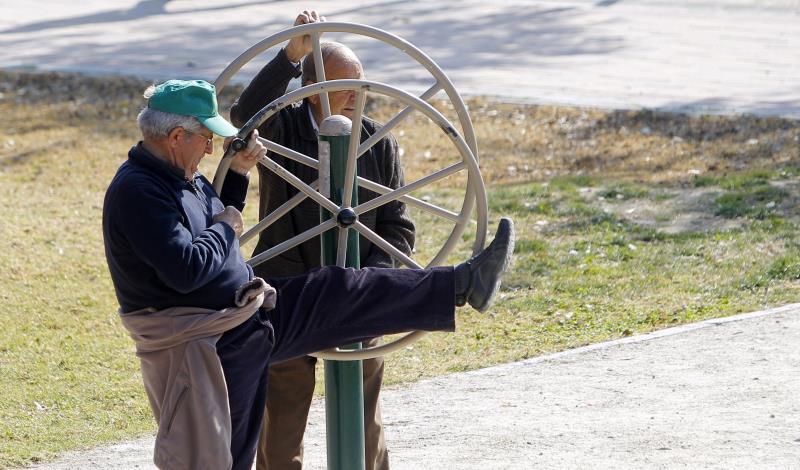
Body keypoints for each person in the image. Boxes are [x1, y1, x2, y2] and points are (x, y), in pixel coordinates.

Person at [102, 79, 514, 470]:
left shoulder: (181, 178)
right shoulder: (139, 192)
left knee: (341, 289)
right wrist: (227, 224)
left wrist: (239, 176)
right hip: (204, 341)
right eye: (206, 139)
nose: (211, 150)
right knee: (219, 456)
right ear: (176, 137)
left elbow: (211, 219)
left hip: (245, 316)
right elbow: (187, 269)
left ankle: (462, 284)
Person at [228, 10, 411, 470]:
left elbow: (397, 226)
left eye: (361, 85)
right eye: (343, 86)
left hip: (356, 293)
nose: (356, 96)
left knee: (364, 419)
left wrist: (372, 281)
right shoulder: (283, 129)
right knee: (282, 419)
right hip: (289, 289)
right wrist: (291, 56)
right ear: (312, 95)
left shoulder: (377, 142)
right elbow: (242, 116)